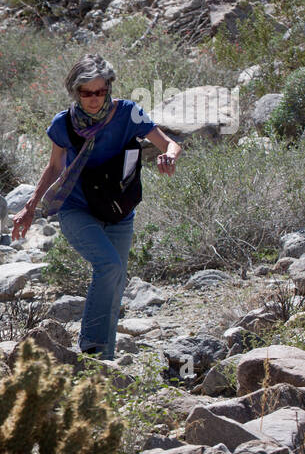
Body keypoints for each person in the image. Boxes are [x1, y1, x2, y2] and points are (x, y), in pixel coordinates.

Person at [10, 54, 181, 361]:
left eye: (100, 91)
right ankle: (90, 347)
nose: (93, 98)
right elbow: (54, 168)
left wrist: (168, 155)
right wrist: (30, 207)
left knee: (115, 281)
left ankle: (104, 361)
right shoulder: (64, 124)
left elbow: (169, 142)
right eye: (86, 92)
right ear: (76, 92)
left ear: (109, 88)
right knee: (109, 266)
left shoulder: (128, 113)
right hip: (77, 207)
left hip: (119, 209)